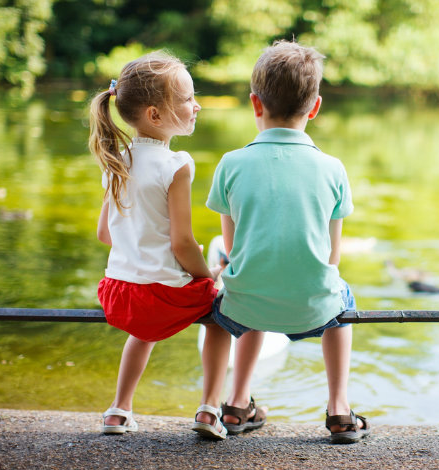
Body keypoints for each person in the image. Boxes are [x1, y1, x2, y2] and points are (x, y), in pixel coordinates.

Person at [201, 40, 370, 444]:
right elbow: (332, 255)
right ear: (315, 107)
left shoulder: (231, 163)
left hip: (247, 304)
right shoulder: (333, 168)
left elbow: (234, 250)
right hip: (314, 306)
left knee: (250, 278)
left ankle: (237, 404)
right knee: (342, 295)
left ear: (255, 104)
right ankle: (339, 409)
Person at [89, 51, 230, 439]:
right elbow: (183, 243)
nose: (196, 104)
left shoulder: (115, 160)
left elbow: (106, 235)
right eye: (187, 99)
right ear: (155, 115)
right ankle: (209, 409)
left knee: (145, 325)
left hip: (118, 296)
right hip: (159, 298)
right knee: (222, 314)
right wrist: (209, 277)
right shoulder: (176, 164)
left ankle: (118, 410)